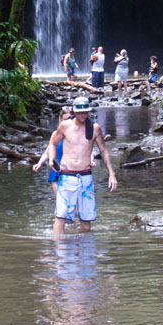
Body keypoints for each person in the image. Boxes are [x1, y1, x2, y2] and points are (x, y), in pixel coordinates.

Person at [33, 96, 117, 234]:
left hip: (86, 177)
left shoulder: (94, 128)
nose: (83, 115)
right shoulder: (65, 126)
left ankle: (83, 250)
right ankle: (59, 250)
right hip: (67, 176)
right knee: (61, 217)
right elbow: (53, 144)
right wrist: (52, 160)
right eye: (79, 112)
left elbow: (103, 150)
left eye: (85, 112)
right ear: (74, 112)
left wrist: (111, 174)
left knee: (86, 221)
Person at [34, 107, 71, 197]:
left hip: (70, 172)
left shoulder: (76, 134)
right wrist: (39, 163)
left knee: (75, 209)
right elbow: (48, 152)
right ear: (61, 120)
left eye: (70, 119)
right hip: (56, 171)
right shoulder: (55, 134)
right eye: (65, 119)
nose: (67, 122)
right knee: (60, 205)